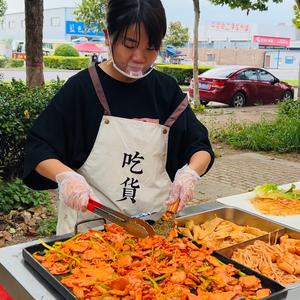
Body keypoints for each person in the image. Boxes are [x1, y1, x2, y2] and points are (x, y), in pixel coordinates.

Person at [23, 0, 214, 235]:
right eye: (129, 44)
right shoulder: (82, 89)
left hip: (152, 233)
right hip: (88, 232)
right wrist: (65, 177)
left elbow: (200, 146)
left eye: (151, 47)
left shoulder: (166, 91)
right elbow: (38, 148)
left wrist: (190, 173)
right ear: (108, 36)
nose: (139, 57)